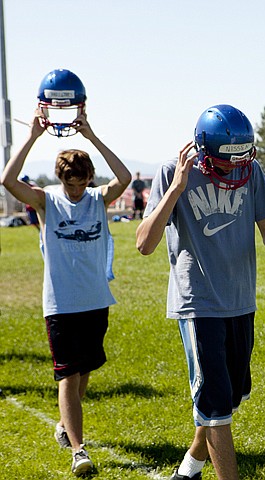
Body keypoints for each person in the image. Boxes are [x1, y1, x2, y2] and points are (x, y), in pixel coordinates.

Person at [135, 104, 265, 480]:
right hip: (199, 302)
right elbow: (144, 244)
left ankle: (189, 469)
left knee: (229, 399)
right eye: (225, 162)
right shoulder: (169, 173)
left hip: (241, 300)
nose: (233, 169)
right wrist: (176, 187)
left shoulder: (250, 170)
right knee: (216, 409)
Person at [0, 103, 131, 475]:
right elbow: (8, 181)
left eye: (81, 183)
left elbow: (123, 178)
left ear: (89, 179)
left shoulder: (98, 199)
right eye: (69, 184)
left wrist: (91, 135)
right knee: (67, 375)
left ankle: (64, 425)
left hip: (95, 301)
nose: (75, 191)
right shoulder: (47, 201)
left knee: (85, 370)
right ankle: (79, 450)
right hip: (60, 305)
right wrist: (31, 137)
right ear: (60, 181)